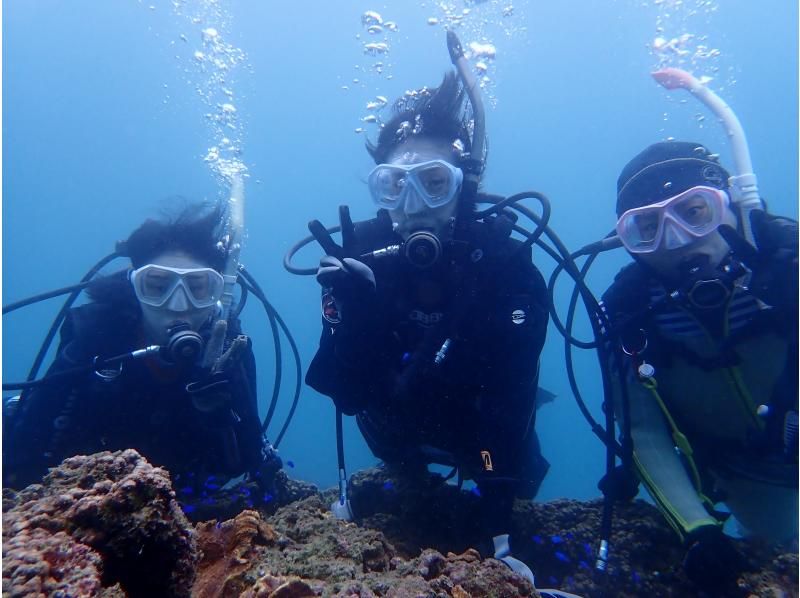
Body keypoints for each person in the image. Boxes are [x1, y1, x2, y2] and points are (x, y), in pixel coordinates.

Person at [305, 70, 551, 584]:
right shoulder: (355, 259)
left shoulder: (508, 267)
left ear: (464, 186)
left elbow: (512, 393)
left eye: (435, 183)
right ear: (381, 189)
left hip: (483, 434)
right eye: (395, 185)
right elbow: (348, 396)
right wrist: (357, 319)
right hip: (394, 429)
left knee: (524, 476)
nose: (414, 203)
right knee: (403, 471)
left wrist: (498, 523)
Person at [600, 141, 798, 592]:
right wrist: (698, 531)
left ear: (732, 205)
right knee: (779, 545)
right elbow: (645, 433)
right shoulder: (630, 316)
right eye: (647, 228)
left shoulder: (789, 266)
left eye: (695, 212)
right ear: (629, 244)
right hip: (743, 473)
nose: (678, 239)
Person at [3, 203, 282, 517]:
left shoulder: (228, 353)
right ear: (134, 286)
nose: (178, 305)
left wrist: (218, 415)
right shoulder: (96, 340)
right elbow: (23, 457)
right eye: (157, 286)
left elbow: (251, 465)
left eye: (198, 287)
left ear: (218, 295)